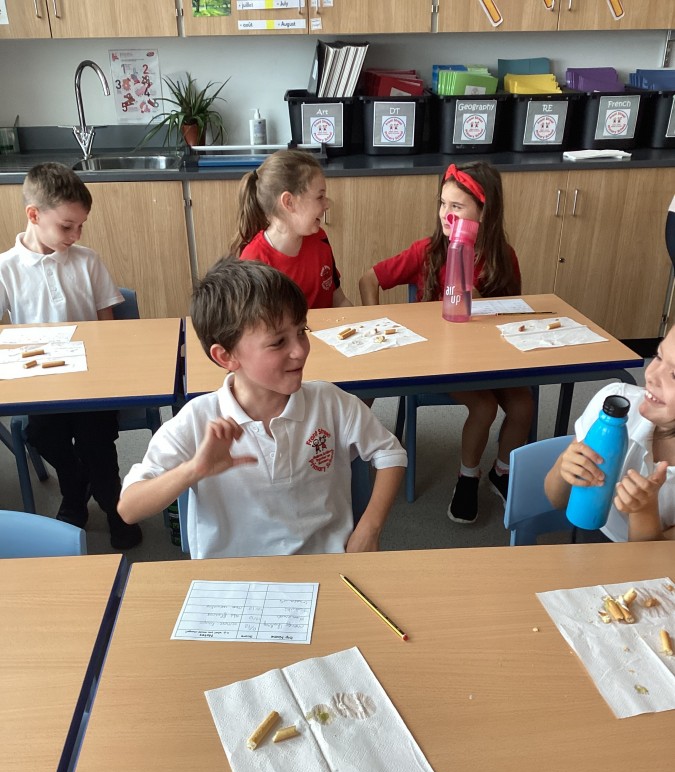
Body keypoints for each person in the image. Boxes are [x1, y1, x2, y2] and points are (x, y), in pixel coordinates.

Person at [118, 257, 405, 559]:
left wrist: (369, 528)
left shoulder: (330, 402)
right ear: (226, 357)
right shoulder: (198, 420)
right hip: (233, 577)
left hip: (324, 564)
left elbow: (391, 453)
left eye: (301, 331)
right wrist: (194, 470)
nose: (300, 350)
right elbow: (129, 508)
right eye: (278, 342)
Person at [359, 161, 533, 525]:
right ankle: (467, 478)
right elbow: (369, 278)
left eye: (456, 206)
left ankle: (501, 471)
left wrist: (482, 302)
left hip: (491, 356)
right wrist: (378, 324)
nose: (445, 213)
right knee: (484, 407)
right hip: (444, 360)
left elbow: (511, 313)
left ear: (485, 213)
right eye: (442, 203)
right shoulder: (427, 251)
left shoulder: (502, 257)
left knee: (522, 405)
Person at [0, 162, 142, 550]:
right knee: (42, 435)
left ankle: (114, 508)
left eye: (81, 226)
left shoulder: (87, 261)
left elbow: (108, 327)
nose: (76, 235)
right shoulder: (6, 268)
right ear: (34, 215)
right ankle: (75, 487)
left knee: (98, 443)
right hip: (41, 384)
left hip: (92, 381)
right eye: (67, 226)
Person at [544, 327, 675, 542]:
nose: (651, 375)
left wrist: (643, 512)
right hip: (590, 532)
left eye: (674, 375)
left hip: (642, 555)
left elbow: (648, 561)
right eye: (658, 356)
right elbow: (556, 500)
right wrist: (563, 466)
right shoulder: (615, 402)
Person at [230, 149, 352, 309]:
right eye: (320, 197)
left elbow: (339, 300)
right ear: (289, 202)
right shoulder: (254, 261)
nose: (327, 204)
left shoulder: (320, 238)